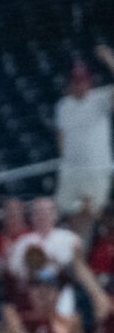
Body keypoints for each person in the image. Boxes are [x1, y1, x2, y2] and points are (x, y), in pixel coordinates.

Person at [55, 49, 114, 222]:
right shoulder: (63, 105)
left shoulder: (100, 98)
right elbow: (61, 136)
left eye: (83, 80)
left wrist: (110, 59)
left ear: (89, 81)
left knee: (91, 217)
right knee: (65, 214)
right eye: (76, 81)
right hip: (71, 170)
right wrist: (64, 162)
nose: (79, 84)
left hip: (97, 169)